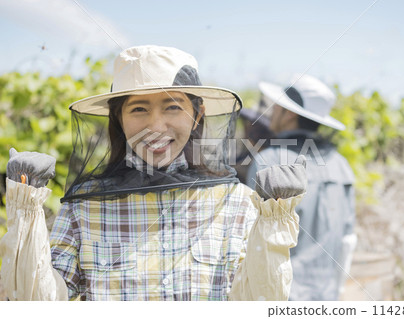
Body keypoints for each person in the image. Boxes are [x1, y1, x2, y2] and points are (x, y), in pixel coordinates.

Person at [0, 45, 307, 301]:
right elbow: (40, 302)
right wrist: (26, 212)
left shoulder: (237, 203)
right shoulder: (84, 208)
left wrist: (272, 224)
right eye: (139, 109)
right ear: (118, 118)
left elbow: (257, 301)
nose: (156, 127)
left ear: (198, 114)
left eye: (173, 107)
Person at [246, 74, 357, 300]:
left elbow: (249, 234)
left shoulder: (269, 160)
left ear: (289, 114)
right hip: (327, 298)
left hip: (278, 296)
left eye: (277, 107)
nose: (272, 111)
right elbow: (347, 241)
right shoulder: (341, 165)